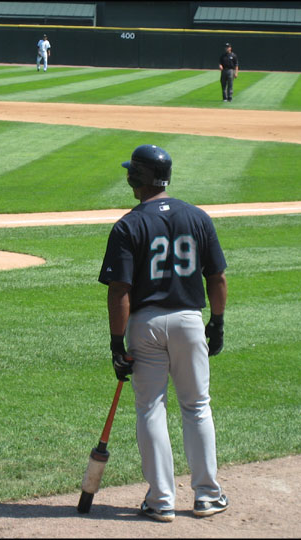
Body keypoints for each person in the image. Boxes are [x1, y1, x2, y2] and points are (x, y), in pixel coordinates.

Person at [99, 144, 229, 523]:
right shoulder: (198, 217)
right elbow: (217, 277)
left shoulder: (129, 225)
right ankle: (207, 495)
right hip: (190, 323)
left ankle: (161, 501)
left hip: (147, 326)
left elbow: (119, 290)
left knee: (151, 410)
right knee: (197, 406)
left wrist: (116, 343)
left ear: (137, 178)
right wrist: (217, 323)